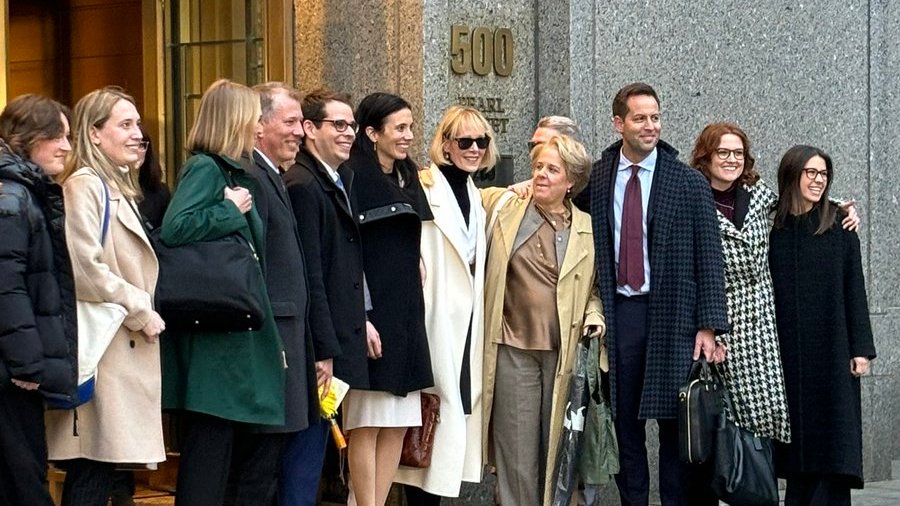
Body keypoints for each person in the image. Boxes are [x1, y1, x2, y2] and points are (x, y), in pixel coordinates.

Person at [587, 83, 728, 506]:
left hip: (674, 318)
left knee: (675, 425)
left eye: (655, 117)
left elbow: (710, 257)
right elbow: (555, 197)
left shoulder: (687, 182)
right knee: (624, 423)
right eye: (640, 118)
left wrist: (709, 325)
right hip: (622, 314)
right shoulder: (598, 177)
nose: (651, 126)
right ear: (619, 124)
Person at [159, 79, 286, 506]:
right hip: (217, 354)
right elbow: (176, 228)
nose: (257, 127)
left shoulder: (230, 171)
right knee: (208, 469)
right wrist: (228, 210)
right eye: (252, 118)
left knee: (229, 467)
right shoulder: (205, 169)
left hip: (232, 347)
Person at [46, 87, 166, 506]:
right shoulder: (85, 184)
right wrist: (139, 308)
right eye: (125, 124)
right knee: (91, 467)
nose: (138, 134)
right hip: (105, 347)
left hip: (118, 347)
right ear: (94, 134)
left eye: (138, 124)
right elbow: (84, 266)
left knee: (101, 468)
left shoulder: (114, 186)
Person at [480, 134, 603, 506]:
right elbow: (448, 190)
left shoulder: (587, 228)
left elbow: (595, 288)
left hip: (562, 351)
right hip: (511, 346)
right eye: (537, 167)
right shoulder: (504, 208)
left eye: (553, 169)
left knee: (559, 450)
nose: (542, 175)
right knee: (515, 452)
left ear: (571, 182)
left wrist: (594, 315)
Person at [393, 105, 497, 504]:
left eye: (481, 141)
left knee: (448, 422)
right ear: (446, 145)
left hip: (466, 325)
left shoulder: (475, 194)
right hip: (432, 319)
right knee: (426, 426)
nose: (474, 148)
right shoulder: (422, 186)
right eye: (464, 141)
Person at [769, 145, 876, 506]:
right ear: (792, 175)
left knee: (832, 442)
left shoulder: (839, 224)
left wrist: (861, 349)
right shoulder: (774, 227)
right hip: (787, 352)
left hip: (832, 349)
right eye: (810, 173)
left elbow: (854, 288)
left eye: (823, 174)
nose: (818, 181)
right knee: (798, 446)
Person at [344, 92, 434, 506]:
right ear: (372, 132)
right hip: (373, 315)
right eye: (399, 128)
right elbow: (348, 252)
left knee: (397, 423)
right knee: (367, 423)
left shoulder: (408, 175)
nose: (409, 136)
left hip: (407, 315)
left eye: (411, 127)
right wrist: (361, 316)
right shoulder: (353, 176)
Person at [282, 89, 369, 504]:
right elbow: (309, 275)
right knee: (304, 456)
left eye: (351, 125)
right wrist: (323, 348)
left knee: (316, 450)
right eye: (338, 124)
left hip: (335, 338)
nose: (349, 133)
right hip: (317, 347)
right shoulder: (302, 184)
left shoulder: (337, 179)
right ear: (309, 129)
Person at [245, 81, 319, 506]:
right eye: (289, 121)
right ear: (259, 126)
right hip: (273, 339)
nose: (299, 131)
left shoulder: (273, 175)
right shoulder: (254, 177)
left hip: (289, 337)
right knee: (260, 467)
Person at [0, 94, 75, 506]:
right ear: (29, 139)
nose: (66, 146)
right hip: (11, 372)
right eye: (57, 136)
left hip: (12, 366)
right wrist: (28, 364)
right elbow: (6, 287)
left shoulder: (21, 192)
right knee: (24, 483)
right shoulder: (12, 199)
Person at [135, 125, 171, 229]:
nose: (135, 150)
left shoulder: (160, 192)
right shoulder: (104, 188)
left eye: (141, 145)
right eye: (130, 145)